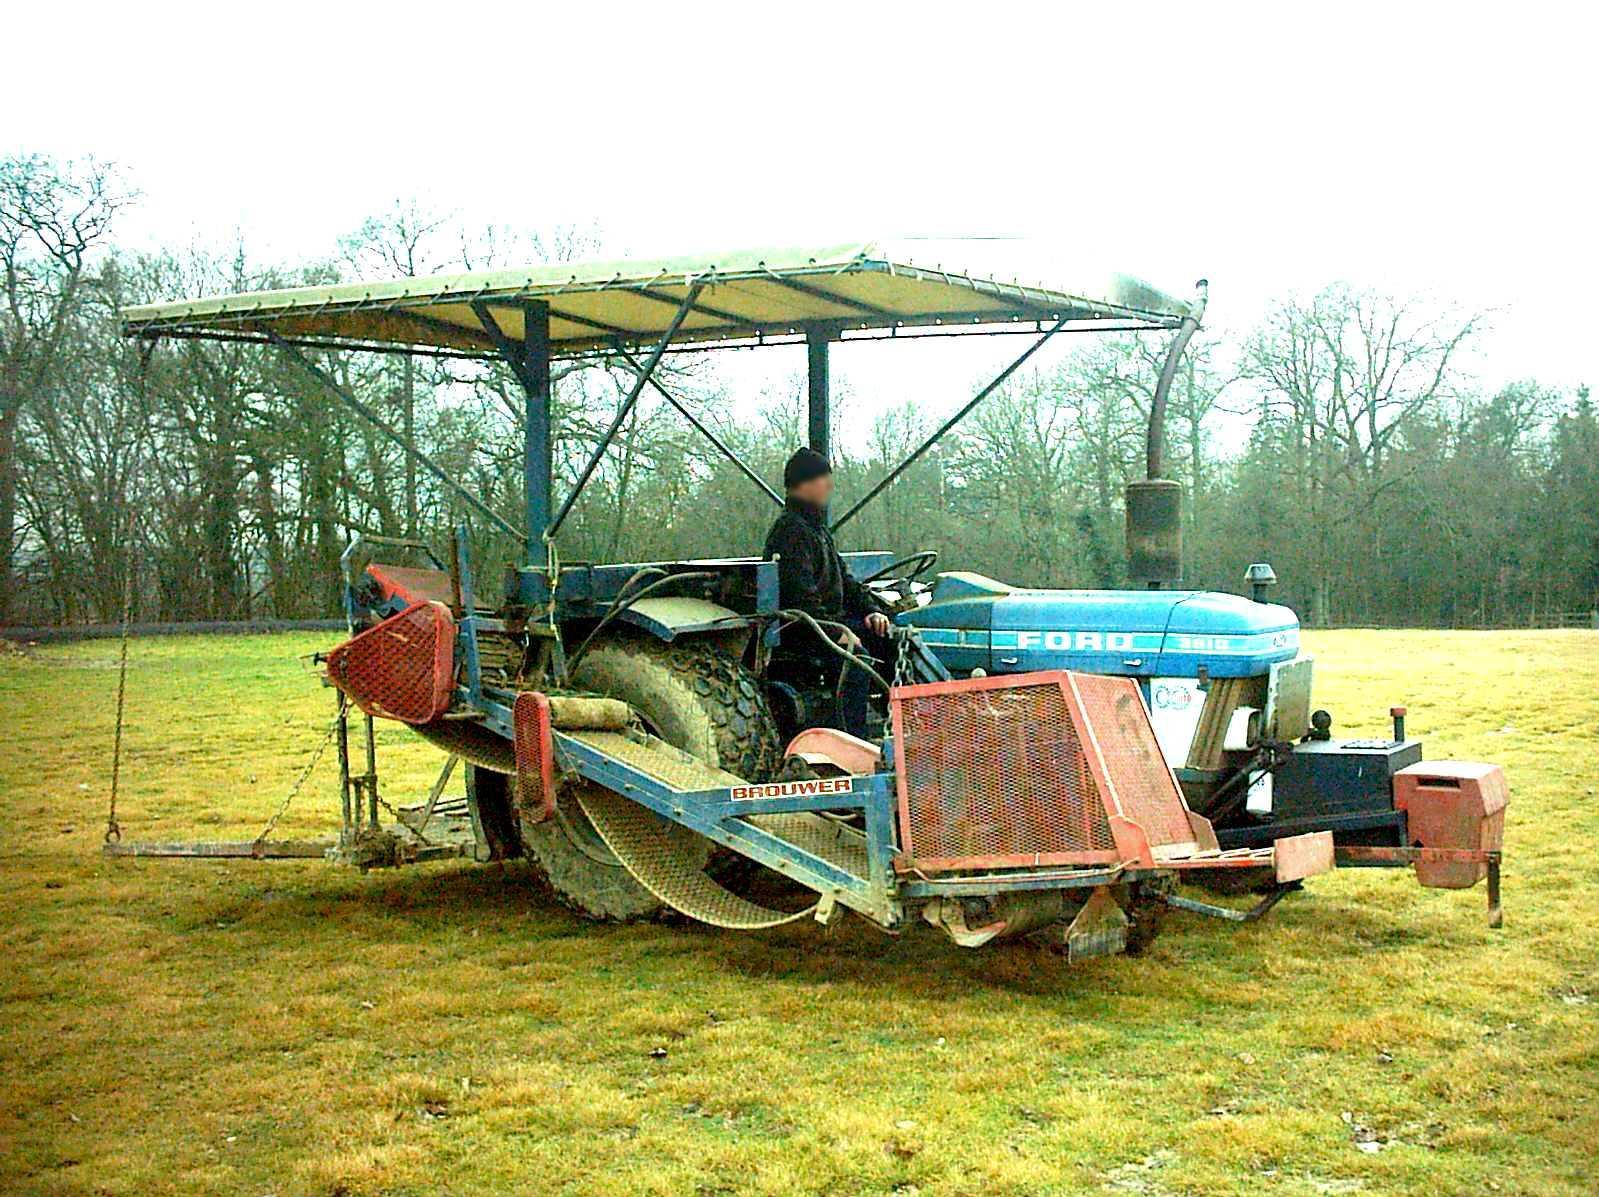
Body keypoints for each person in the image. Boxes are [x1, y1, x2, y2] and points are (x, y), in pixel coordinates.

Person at [764, 447, 893, 739]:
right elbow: (799, 598)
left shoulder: (817, 529)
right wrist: (836, 632)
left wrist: (872, 610)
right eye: (824, 478)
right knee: (855, 662)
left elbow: (845, 582)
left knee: (890, 640)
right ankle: (852, 742)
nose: (830, 485)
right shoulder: (791, 533)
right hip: (802, 630)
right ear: (804, 484)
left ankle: (899, 728)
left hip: (827, 622)